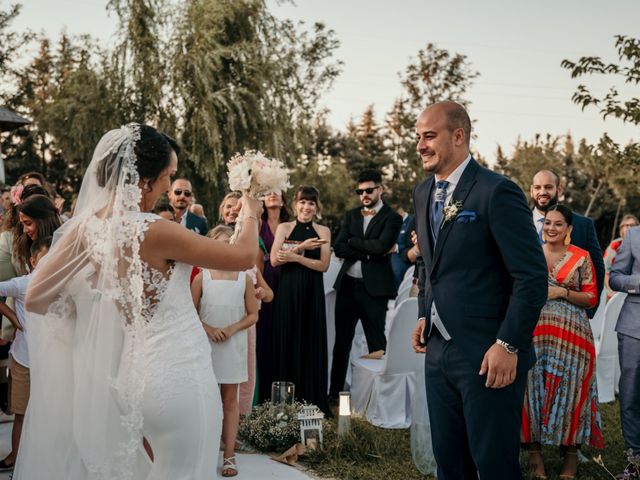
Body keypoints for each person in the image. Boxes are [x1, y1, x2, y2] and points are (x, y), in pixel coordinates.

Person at [14, 123, 262, 480]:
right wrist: (250, 202)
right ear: (145, 180)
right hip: (181, 378)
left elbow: (36, 297)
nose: (168, 186)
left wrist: (93, 303)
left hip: (132, 380)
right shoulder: (154, 230)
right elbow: (242, 256)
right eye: (168, 176)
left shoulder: (88, 228)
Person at [410, 101, 547, 480]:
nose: (420, 145)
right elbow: (429, 263)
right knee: (449, 463)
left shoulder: (496, 191)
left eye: (429, 136)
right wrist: (425, 312)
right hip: (438, 353)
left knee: (494, 465)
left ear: (458, 136)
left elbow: (532, 276)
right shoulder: (422, 193)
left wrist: (508, 344)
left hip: (489, 355)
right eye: (417, 137)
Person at [522, 204, 603, 479]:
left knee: (572, 391)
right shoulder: (530, 254)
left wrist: (561, 293)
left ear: (569, 229)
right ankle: (535, 458)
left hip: (572, 336)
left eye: (558, 224)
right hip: (534, 334)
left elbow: (591, 297)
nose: (551, 228)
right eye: (547, 223)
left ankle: (570, 457)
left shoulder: (581, 257)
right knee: (530, 391)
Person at [191, 225, 259, 477]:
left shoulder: (244, 278)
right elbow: (189, 313)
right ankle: (205, 451)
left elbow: (253, 314)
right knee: (205, 401)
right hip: (206, 345)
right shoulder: (202, 276)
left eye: (230, 242)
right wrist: (208, 328)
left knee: (230, 401)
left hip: (233, 344)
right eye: (220, 242)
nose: (225, 246)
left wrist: (232, 329)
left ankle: (229, 454)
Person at [329, 170, 402, 399]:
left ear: (380, 189)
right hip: (348, 287)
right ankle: (334, 395)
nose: (364, 195)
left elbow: (381, 247)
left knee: (377, 344)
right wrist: (367, 250)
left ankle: (379, 397)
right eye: (360, 192)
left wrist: (354, 242)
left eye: (369, 190)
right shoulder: (351, 215)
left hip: (375, 289)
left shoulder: (392, 217)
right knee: (342, 344)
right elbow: (339, 247)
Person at [271, 186, 331, 414]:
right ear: (295, 205)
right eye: (302, 203)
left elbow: (323, 265)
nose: (306, 207)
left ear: (316, 207)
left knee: (309, 340)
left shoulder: (323, 231)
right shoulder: (284, 227)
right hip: (287, 292)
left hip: (311, 292)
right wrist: (302, 248)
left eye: (311, 203)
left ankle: (311, 401)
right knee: (288, 338)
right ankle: (284, 404)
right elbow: (276, 260)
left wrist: (294, 256)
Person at [0, 236, 51, 471]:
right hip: (25, 361)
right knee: (21, 412)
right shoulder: (23, 284)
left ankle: (41, 456)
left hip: (52, 363)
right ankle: (16, 457)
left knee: (47, 413)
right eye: (45, 258)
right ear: (33, 261)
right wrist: (11, 316)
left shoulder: (62, 285)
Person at [530, 170, 605, 315]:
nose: (542, 192)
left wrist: (588, 311)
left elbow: (597, 269)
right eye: (538, 187)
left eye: (548, 187)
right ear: (531, 190)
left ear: (559, 189)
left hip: (569, 317)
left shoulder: (583, 225)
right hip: (525, 315)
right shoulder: (516, 222)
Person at [609, 225, 640, 479]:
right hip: (634, 328)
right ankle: (635, 462)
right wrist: (638, 282)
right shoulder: (633, 235)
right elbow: (615, 277)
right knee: (630, 396)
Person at [256, 190, 290, 403]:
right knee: (264, 332)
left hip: (287, 279)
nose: (273, 196)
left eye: (277, 193)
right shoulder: (259, 224)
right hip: (265, 278)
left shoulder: (290, 225)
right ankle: (263, 388)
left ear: (284, 200)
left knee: (282, 329)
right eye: (268, 193)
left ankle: (283, 386)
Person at [14, 194, 61, 273]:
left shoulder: (63, 246)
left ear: (43, 221)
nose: (25, 230)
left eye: (28, 223)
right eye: (22, 224)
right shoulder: (26, 244)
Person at [604, 214, 639, 298]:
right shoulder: (615, 245)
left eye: (632, 225)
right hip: (616, 291)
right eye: (626, 225)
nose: (629, 228)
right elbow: (606, 270)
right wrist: (610, 291)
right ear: (621, 229)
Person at [390, 199, 414, 288]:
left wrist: (396, 247)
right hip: (394, 262)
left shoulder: (412, 221)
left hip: (408, 262)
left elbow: (413, 244)